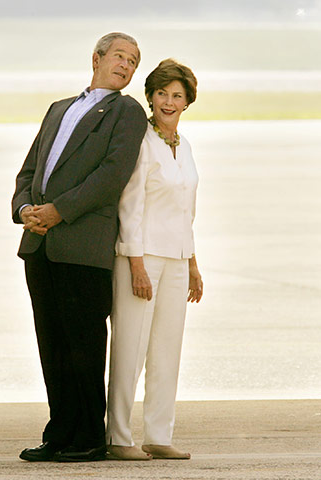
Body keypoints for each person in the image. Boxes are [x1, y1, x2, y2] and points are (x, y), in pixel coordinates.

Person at [12, 32, 147, 463]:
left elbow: (111, 176)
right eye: (120, 56)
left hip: (83, 247)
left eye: (133, 61)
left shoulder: (126, 112)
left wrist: (59, 210)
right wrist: (25, 209)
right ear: (97, 58)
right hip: (39, 245)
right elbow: (29, 169)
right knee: (51, 345)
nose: (126, 65)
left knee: (83, 346)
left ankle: (89, 436)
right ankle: (60, 434)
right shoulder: (58, 109)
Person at [105, 59, 203, 461]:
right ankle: (118, 437)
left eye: (177, 95)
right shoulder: (141, 142)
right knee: (130, 347)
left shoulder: (186, 145)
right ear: (150, 97)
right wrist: (136, 264)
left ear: (187, 102)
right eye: (162, 93)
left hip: (178, 259)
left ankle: (159, 435)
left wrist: (193, 264)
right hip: (139, 258)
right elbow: (130, 207)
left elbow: (187, 211)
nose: (168, 101)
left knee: (167, 350)